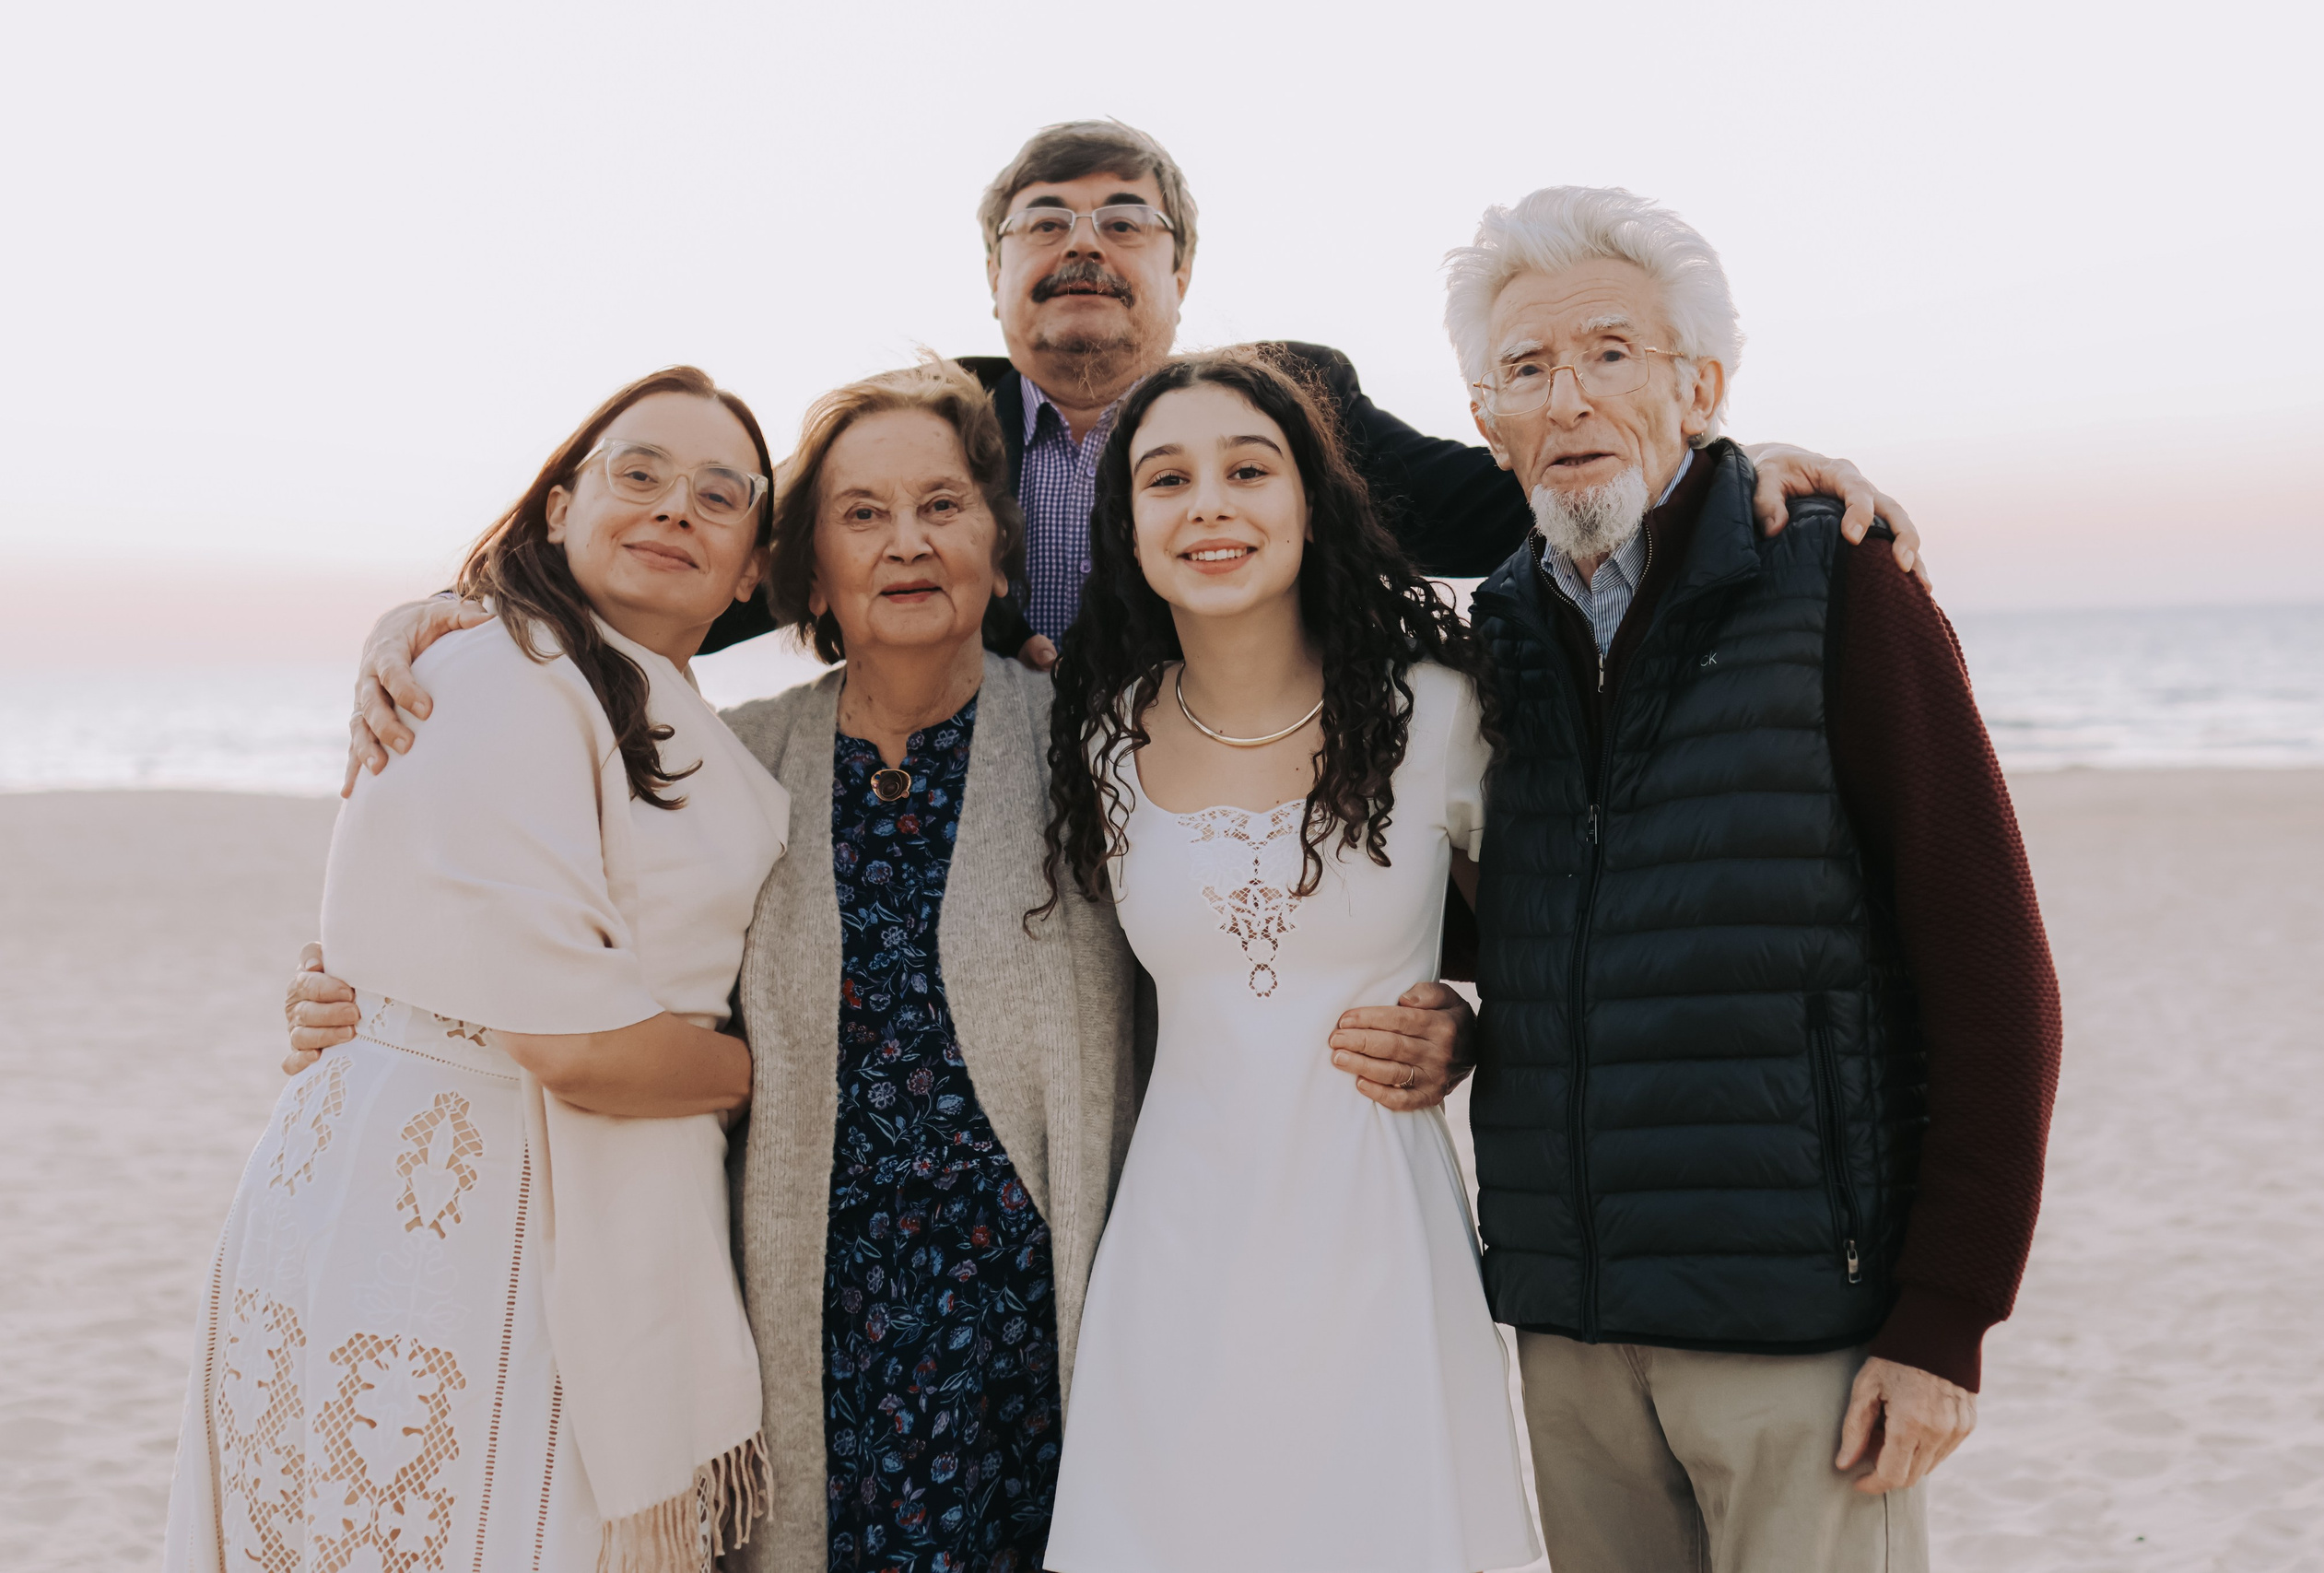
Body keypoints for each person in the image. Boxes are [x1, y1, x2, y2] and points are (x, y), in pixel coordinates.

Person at [281, 360, 1479, 1573]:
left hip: (1044, 1320)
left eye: (943, 506)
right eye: (862, 514)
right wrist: (369, 997)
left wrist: (1451, 1017)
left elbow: (1263, 889)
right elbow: (540, 933)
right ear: (805, 567)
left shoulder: (1092, 735)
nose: (907, 544)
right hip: (806, 1309)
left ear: (999, 547)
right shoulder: (723, 760)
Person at [343, 120, 1927, 772]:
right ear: (997, 279)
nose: (1083, 250)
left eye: (1125, 227)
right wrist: (470, 612)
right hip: (980, 815)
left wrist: (1736, 462)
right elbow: (702, 577)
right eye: (1047, 228)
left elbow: (1515, 493)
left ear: (1182, 278)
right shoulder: (919, 429)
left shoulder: (1286, 400)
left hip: (1215, 806)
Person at [1449, 186, 2063, 1572]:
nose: (1571, 398)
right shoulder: (1497, 637)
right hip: (1573, 1338)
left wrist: (1944, 1322)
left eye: (1614, 353)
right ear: (1485, 419)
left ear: (1703, 387)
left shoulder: (1838, 585)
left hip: (1808, 1342)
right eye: (1527, 370)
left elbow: (1997, 984)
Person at [168, 368, 791, 1571]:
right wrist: (778, 1074)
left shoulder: (658, 706)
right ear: (559, 504)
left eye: (721, 497)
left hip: (524, 1187)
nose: (676, 510)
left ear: (755, 562)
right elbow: (583, 1050)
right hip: (456, 1200)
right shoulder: (500, 672)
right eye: (640, 475)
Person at [1036, 350, 1538, 1573]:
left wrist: (1470, 1027)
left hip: (1381, 1245)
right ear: (1129, 528)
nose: (1209, 503)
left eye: (1248, 469)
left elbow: (1559, 948)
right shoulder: (1099, 735)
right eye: (1167, 479)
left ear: (1311, 503)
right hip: (1177, 1253)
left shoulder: (1437, 710)